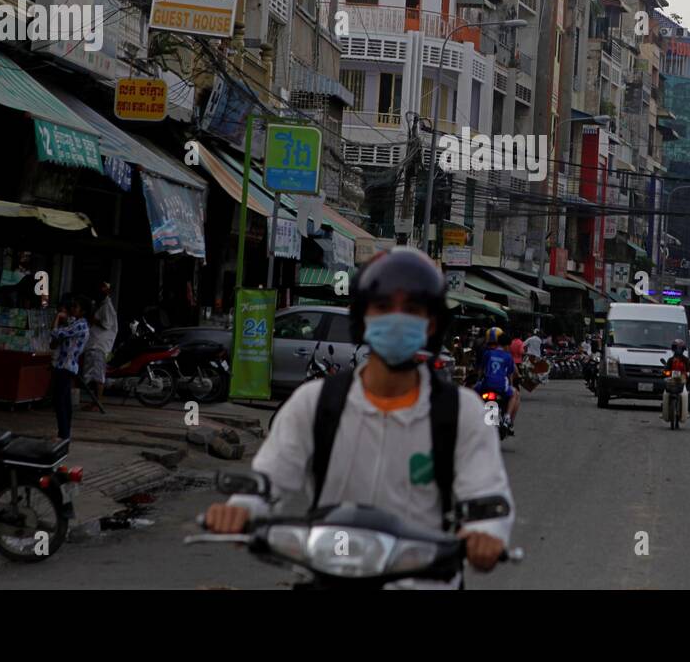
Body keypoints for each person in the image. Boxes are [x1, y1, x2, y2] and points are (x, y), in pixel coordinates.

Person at [204, 247, 513, 586]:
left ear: (432, 324)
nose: (396, 320)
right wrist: (241, 509)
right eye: (383, 308)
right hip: (327, 575)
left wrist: (484, 534)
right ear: (362, 317)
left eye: (411, 310)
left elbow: (486, 495)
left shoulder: (463, 411)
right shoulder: (314, 402)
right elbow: (269, 478)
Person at [49, 295, 90, 442]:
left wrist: (58, 317)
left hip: (66, 365)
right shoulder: (78, 323)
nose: (73, 309)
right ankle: (64, 433)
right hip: (67, 365)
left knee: (60, 401)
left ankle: (63, 434)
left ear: (83, 311)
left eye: (76, 307)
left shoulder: (80, 325)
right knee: (64, 401)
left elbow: (56, 333)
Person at [81, 280, 117, 410]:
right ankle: (95, 402)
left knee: (98, 375)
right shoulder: (102, 305)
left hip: (99, 345)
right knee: (93, 374)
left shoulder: (106, 307)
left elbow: (106, 324)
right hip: (96, 344)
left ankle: (97, 402)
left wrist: (93, 320)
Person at [477, 329, 520, 433]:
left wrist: (478, 381)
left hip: (486, 385)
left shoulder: (487, 353)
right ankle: (507, 418)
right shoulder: (508, 356)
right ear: (507, 346)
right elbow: (510, 376)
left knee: (472, 393)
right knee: (515, 394)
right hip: (500, 386)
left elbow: (480, 370)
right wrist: (511, 385)